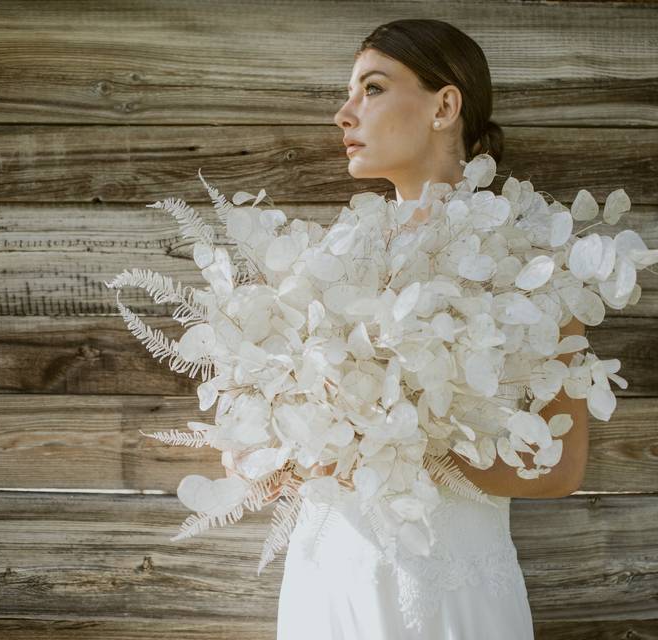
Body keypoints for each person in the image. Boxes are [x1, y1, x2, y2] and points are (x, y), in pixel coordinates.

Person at [244, 18, 589, 639]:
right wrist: (275, 452)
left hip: (447, 595)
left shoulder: (526, 260)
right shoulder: (327, 262)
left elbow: (562, 468)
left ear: (444, 106)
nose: (344, 114)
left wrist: (405, 443)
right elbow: (280, 441)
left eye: (371, 89)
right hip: (328, 583)